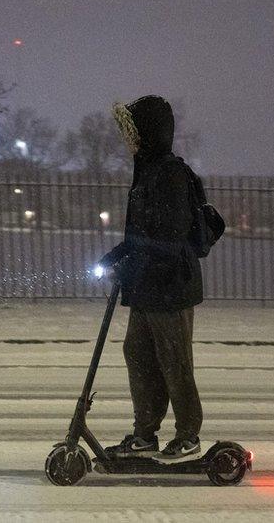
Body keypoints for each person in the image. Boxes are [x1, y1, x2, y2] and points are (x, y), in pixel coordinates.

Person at [98, 94, 204, 460]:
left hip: (170, 287)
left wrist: (129, 265)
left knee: (174, 361)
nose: (129, 139)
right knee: (138, 353)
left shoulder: (170, 174)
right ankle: (145, 434)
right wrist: (119, 255)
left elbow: (167, 241)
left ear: (150, 132)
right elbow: (142, 235)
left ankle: (189, 436)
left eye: (133, 131)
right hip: (146, 287)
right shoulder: (146, 170)